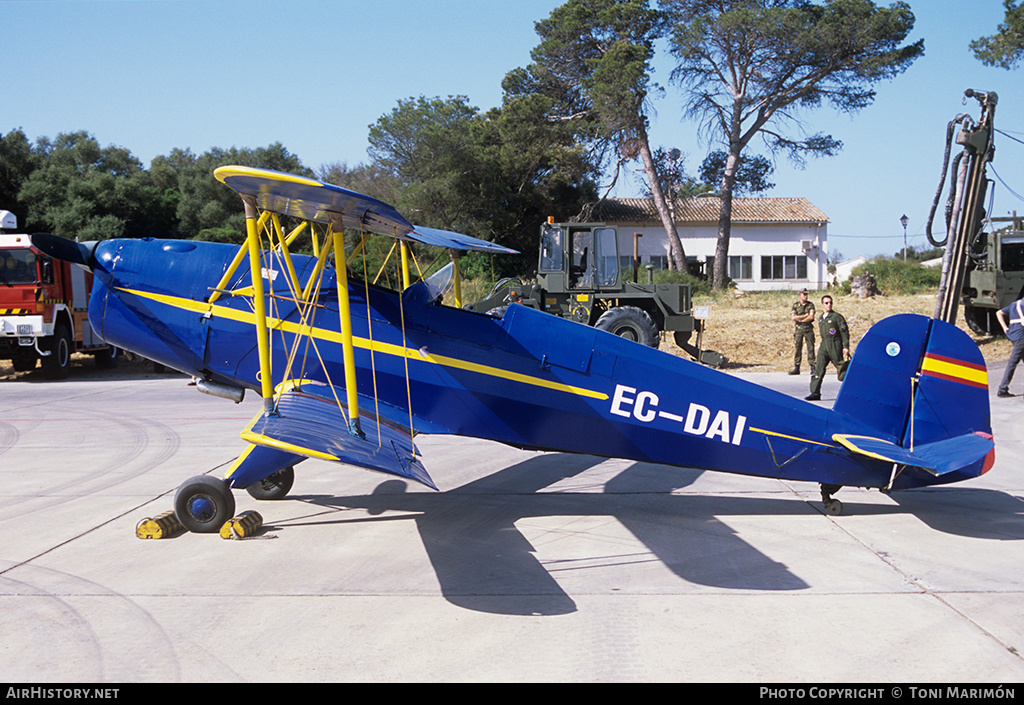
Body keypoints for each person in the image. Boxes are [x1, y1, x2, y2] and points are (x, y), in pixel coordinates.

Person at [805, 295, 849, 401]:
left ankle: (854, 388)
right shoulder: (821, 318)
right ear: (822, 304)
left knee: (842, 368)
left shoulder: (836, 317)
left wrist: (846, 346)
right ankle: (815, 392)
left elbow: (844, 333)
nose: (829, 305)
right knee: (818, 369)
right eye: (826, 303)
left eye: (830, 303)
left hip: (835, 345)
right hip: (824, 345)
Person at [995, 296, 1024, 398]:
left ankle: (1003, 388)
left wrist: (1004, 327)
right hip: (1022, 337)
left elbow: (999, 313)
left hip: (1013, 335)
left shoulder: (1014, 304)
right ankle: (1002, 389)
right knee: (1012, 362)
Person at [789, 288, 815, 375]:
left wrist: (801, 320)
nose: (806, 296)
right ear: (799, 295)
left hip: (808, 329)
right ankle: (797, 367)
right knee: (798, 348)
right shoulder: (795, 305)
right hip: (799, 330)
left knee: (810, 348)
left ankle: (812, 366)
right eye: (804, 294)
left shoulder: (810, 305)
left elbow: (811, 317)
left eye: (806, 294)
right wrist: (804, 316)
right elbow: (793, 317)